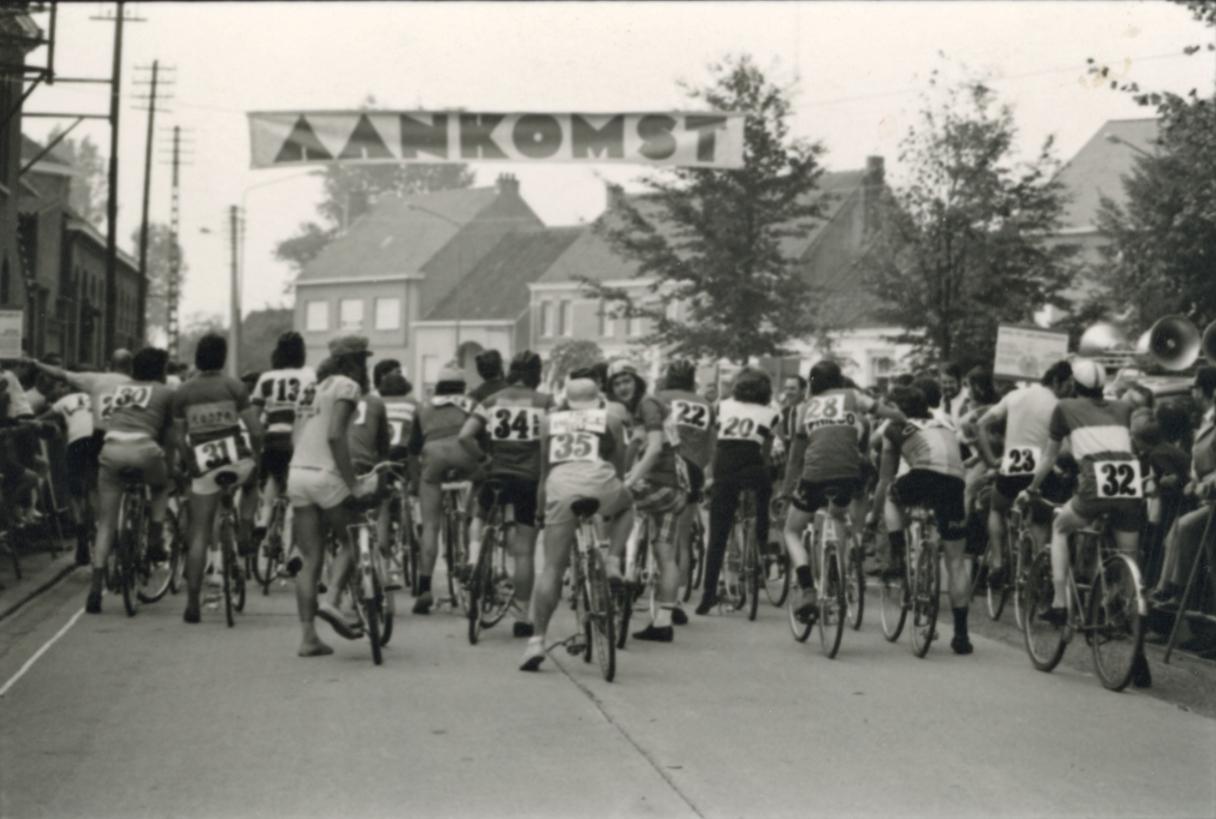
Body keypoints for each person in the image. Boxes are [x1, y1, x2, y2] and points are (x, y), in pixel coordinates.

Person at [1019, 358, 1150, 686]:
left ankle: (1060, 602)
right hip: (1129, 485)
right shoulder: (1122, 408)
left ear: (1074, 386)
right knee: (1129, 566)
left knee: (1061, 528)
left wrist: (1033, 487)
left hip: (1094, 484)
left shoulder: (1063, 407)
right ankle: (1137, 651)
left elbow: (1049, 455)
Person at [520, 376, 634, 671]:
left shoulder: (549, 423)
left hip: (561, 487)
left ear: (566, 400)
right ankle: (612, 560)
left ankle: (537, 641)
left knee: (552, 569)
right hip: (600, 483)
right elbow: (620, 467)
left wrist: (540, 510)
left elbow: (545, 472)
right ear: (598, 397)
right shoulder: (611, 419)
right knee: (627, 505)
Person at [780, 360, 900, 619]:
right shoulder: (852, 397)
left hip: (814, 476)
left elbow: (795, 458)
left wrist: (787, 489)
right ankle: (840, 573)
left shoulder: (804, 408)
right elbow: (882, 411)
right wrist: (906, 417)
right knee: (836, 516)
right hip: (848, 475)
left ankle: (808, 587)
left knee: (791, 530)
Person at [286, 336, 377, 656]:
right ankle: (334, 598)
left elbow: (296, 434)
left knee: (310, 558)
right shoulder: (347, 387)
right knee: (354, 537)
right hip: (326, 473)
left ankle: (308, 637)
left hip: (298, 473)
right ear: (355, 361)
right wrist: (352, 483)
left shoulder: (311, 387)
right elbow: (336, 434)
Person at [873, 384, 974, 654]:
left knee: (893, 497)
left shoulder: (892, 428)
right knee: (955, 561)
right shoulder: (945, 421)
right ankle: (962, 635)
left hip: (922, 475)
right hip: (955, 481)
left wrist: (874, 515)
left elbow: (885, 478)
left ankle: (896, 556)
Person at [458, 350, 552, 637]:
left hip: (496, 475)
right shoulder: (546, 402)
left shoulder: (491, 400)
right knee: (524, 552)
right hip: (528, 480)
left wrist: (485, 460)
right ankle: (522, 616)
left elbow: (465, 436)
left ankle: (474, 557)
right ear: (537, 374)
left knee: (479, 515)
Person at [172, 334, 263, 624]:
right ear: (222, 358)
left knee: (200, 533)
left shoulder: (183, 392)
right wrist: (257, 458)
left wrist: (190, 465)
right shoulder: (234, 386)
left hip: (203, 463)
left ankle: (192, 603)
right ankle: (246, 528)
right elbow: (256, 431)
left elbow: (178, 438)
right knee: (251, 481)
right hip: (236, 460)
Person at [88, 348, 176, 614]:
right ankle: (155, 539)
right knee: (161, 487)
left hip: (112, 449)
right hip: (145, 450)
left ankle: (95, 590)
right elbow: (170, 438)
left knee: (106, 523)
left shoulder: (120, 390)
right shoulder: (165, 393)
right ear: (160, 370)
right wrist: (170, 469)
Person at [976, 360, 1074, 584]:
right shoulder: (1058, 406)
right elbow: (1066, 449)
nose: (1069, 390)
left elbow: (980, 423)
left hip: (1015, 461)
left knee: (997, 508)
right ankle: (1040, 571)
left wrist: (990, 460)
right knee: (1040, 520)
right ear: (1058, 382)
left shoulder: (1015, 396)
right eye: (1068, 385)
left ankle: (999, 561)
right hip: (1043, 466)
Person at [697, 368, 780, 614]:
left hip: (725, 467)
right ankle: (762, 543)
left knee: (718, 535)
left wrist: (710, 473)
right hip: (752, 465)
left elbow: (714, 441)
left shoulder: (721, 406)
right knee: (764, 496)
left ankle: (708, 595)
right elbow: (765, 452)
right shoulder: (771, 412)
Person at [407, 363, 482, 614]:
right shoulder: (471, 403)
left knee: (430, 526)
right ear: (462, 385)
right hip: (465, 458)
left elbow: (413, 448)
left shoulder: (423, 406)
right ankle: (471, 543)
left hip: (434, 458)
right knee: (477, 505)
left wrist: (415, 479)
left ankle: (425, 586)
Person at [251, 332, 316, 575]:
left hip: (273, 437)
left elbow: (255, 414)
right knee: (296, 493)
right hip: (299, 439)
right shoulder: (310, 375)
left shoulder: (266, 378)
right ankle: (291, 547)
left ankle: (263, 518)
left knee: (272, 479)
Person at [1151, 368, 1216, 613]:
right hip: (1206, 497)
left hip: (1211, 495)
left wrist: (1208, 482)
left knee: (1185, 527)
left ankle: (1174, 590)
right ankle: (1169, 591)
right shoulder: (1207, 419)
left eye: (1197, 389)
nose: (1194, 394)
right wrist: (1194, 479)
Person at [655, 359, 714, 625]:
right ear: (693, 380)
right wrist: (701, 472)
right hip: (692, 470)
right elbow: (710, 445)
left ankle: (647, 576)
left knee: (656, 532)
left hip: (662, 467)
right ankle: (676, 598)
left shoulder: (658, 398)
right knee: (682, 538)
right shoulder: (706, 404)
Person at [47, 377, 95, 564]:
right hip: (97, 441)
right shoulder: (95, 397)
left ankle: (81, 532)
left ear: (68, 387)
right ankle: (99, 529)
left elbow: (42, 417)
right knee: (94, 488)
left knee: (75, 493)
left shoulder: (63, 401)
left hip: (76, 444)